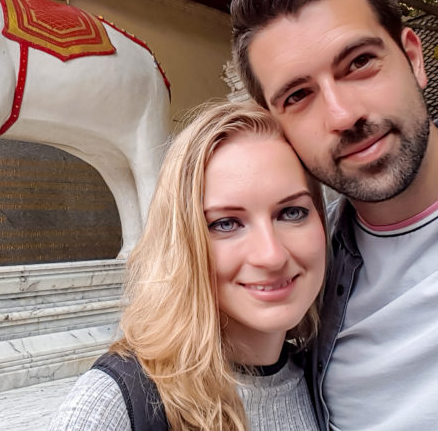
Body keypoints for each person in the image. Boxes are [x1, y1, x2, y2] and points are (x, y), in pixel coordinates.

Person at [230, 0, 438, 430]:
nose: (344, 116)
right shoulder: (294, 272)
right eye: (299, 96)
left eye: (360, 63)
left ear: (412, 57)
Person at [50, 100, 326, 430]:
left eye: (291, 212)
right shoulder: (114, 403)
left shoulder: (329, 381)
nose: (271, 255)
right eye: (226, 223)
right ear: (182, 242)